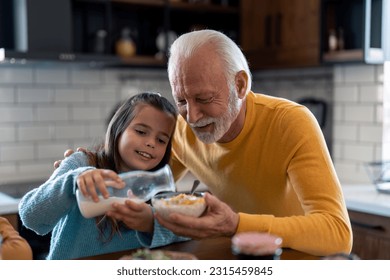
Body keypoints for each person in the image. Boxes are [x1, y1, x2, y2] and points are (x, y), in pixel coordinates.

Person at [57, 30, 353, 257]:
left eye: (204, 99)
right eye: (181, 101)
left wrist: (235, 224)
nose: (193, 116)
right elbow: (137, 183)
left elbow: (337, 232)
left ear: (240, 85)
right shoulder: (181, 129)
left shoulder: (291, 122)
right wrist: (88, 167)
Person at [19, 92, 187, 260]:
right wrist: (74, 181)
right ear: (118, 129)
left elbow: (187, 231)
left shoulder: (160, 189)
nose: (151, 142)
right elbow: (30, 216)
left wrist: (151, 222)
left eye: (161, 140)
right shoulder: (81, 163)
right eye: (141, 131)